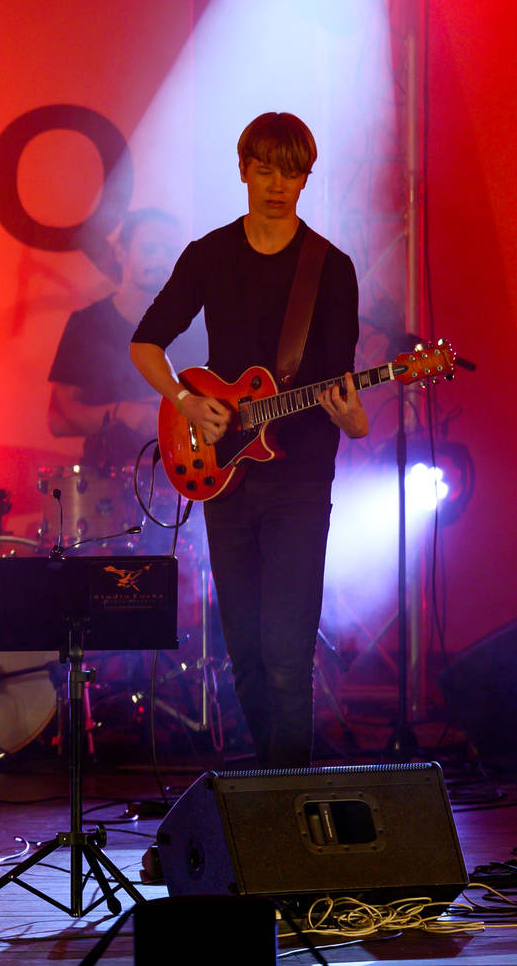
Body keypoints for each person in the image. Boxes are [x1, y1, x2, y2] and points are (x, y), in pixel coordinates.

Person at [129, 112, 368, 769]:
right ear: (243, 170)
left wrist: (354, 419)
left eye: (291, 173)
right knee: (247, 659)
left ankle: (289, 800)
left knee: (287, 658)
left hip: (300, 480)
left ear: (305, 178)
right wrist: (186, 400)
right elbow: (146, 342)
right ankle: (273, 790)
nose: (277, 185)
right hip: (225, 476)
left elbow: (343, 391)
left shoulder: (330, 268)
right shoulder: (210, 255)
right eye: (265, 170)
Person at [48, 207, 205, 470]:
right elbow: (58, 420)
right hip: (108, 478)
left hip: (188, 473)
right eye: (150, 249)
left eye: (170, 252)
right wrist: (122, 412)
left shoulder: (196, 326)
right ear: (120, 252)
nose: (161, 260)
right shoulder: (88, 323)